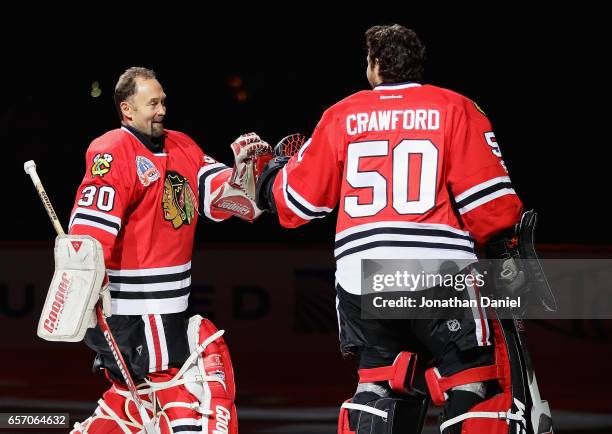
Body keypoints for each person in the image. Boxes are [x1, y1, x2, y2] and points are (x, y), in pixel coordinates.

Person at [216, 25, 549, 433]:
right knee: (473, 383)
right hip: (438, 272)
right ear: (417, 63)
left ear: (374, 66)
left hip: (363, 278)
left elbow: (298, 204)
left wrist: (269, 177)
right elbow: (491, 209)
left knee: (378, 384)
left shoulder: (341, 114)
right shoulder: (457, 107)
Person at [66, 67, 244, 433]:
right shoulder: (111, 151)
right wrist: (84, 294)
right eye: (152, 103)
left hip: (170, 308)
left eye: (163, 101)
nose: (162, 109)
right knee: (180, 398)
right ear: (127, 109)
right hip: (129, 312)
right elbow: (88, 236)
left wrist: (251, 173)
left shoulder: (183, 145)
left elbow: (221, 196)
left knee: (140, 403)